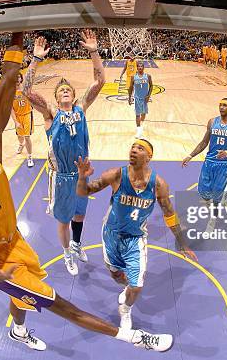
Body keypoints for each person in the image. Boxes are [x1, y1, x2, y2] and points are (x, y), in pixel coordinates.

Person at [0, 32, 173, 353]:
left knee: (76, 221)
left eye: (68, 89)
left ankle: (18, 328)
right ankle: (136, 338)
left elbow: (6, 88)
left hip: (19, 233)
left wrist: (19, 30)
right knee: (61, 304)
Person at [75, 139, 197, 329]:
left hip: (135, 238)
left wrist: (181, 242)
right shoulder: (115, 175)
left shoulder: (158, 185)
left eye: (140, 148)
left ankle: (125, 309)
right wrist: (82, 176)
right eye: (132, 146)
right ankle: (126, 285)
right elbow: (83, 192)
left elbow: (170, 215)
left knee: (137, 285)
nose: (133, 150)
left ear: (149, 157)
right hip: (111, 235)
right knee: (116, 276)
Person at [22, 30, 105, 276]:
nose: (65, 91)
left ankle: (77, 245)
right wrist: (36, 60)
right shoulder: (50, 115)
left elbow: (99, 81)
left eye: (68, 89)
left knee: (80, 213)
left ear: (73, 95)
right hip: (61, 176)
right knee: (64, 220)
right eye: (61, 91)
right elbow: (26, 91)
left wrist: (93, 51)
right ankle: (67, 252)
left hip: (81, 174)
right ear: (56, 99)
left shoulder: (81, 107)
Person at [182, 98, 227, 208]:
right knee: (204, 193)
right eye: (220, 105)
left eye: (224, 105)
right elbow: (204, 142)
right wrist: (190, 155)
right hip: (209, 162)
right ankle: (210, 206)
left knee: (218, 197)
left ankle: (214, 217)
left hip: (224, 164)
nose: (221, 107)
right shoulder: (212, 122)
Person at [11, 74, 34, 168]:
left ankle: (30, 156)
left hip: (27, 114)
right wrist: (15, 122)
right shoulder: (10, 92)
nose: (17, 78)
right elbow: (11, 109)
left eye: (18, 77)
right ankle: (21, 144)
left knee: (27, 136)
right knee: (20, 135)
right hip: (17, 115)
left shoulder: (26, 89)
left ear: (21, 78)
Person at [127, 62, 152, 138]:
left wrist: (148, 95)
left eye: (141, 66)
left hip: (145, 98)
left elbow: (151, 86)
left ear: (143, 67)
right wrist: (129, 97)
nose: (140, 67)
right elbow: (130, 88)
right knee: (137, 114)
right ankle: (138, 130)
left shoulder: (148, 76)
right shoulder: (133, 77)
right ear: (137, 68)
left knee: (143, 114)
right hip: (137, 98)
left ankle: (141, 125)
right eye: (138, 66)